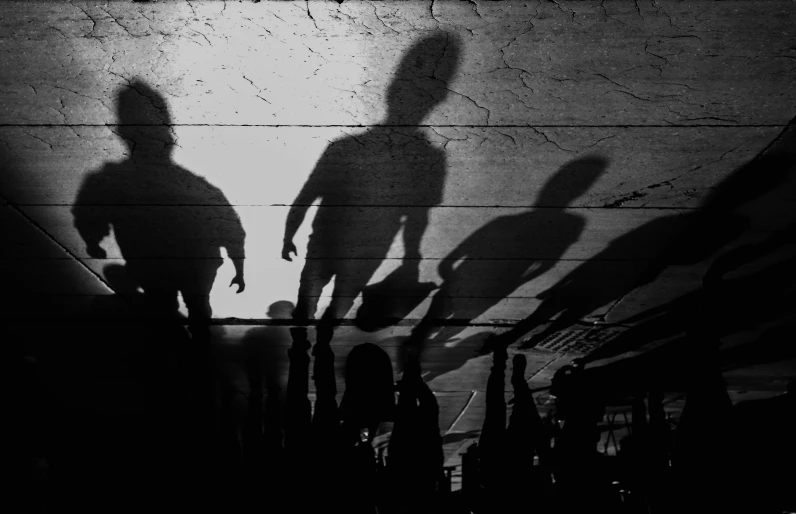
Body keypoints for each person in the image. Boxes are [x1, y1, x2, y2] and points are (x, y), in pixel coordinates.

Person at [281, 33, 460, 348]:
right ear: (437, 100)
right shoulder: (428, 159)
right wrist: (411, 259)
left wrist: (288, 235)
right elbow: (417, 217)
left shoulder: (343, 149)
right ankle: (322, 340)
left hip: (326, 241)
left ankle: (303, 341)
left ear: (389, 94)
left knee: (309, 294)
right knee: (341, 299)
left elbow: (306, 197)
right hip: (368, 249)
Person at [72, 79, 246, 338]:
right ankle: (196, 361)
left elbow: (88, 214)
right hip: (189, 264)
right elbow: (230, 226)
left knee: (169, 312)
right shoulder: (195, 185)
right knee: (194, 312)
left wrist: (93, 241)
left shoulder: (111, 181)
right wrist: (238, 267)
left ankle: (180, 360)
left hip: (155, 264)